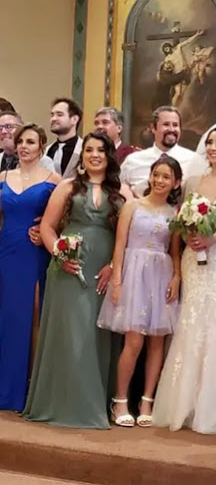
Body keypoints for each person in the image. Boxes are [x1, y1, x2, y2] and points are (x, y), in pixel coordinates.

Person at [23, 132, 132, 429]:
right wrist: (59, 255)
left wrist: (114, 266)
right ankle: (63, 404)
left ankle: (95, 402)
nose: (94, 155)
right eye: (89, 150)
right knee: (71, 334)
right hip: (69, 269)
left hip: (105, 272)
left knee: (97, 335)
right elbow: (47, 227)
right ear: (82, 156)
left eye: (100, 150)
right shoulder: (68, 186)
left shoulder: (122, 191)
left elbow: (130, 234)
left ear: (109, 155)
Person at [152, 123, 216, 434]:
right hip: (194, 259)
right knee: (192, 321)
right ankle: (183, 402)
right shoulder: (194, 182)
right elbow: (182, 223)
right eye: (209, 142)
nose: (213, 147)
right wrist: (191, 236)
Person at [97, 155, 182, 427]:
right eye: (156, 174)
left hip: (161, 275)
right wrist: (117, 282)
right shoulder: (132, 206)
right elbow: (119, 246)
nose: (159, 180)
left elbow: (174, 251)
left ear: (176, 183)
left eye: (166, 177)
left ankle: (147, 400)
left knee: (157, 342)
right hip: (133, 275)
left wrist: (176, 277)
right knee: (133, 341)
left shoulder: (175, 214)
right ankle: (120, 400)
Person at [0, 124, 60, 411]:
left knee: (34, 315)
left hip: (34, 251)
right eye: (21, 141)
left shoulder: (54, 180)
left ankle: (30, 390)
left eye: (31, 142)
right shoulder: (3, 177)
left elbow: (65, 217)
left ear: (41, 147)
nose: (24, 146)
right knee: (7, 316)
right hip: (6, 250)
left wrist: (45, 228)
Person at [121, 106, 195, 197]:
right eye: (166, 124)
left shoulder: (193, 160)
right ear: (153, 128)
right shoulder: (133, 161)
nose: (171, 129)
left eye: (175, 125)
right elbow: (119, 190)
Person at [46, 98, 83, 178]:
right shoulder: (48, 150)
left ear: (74, 119)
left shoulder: (83, 149)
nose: (53, 119)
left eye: (59, 115)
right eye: (52, 115)